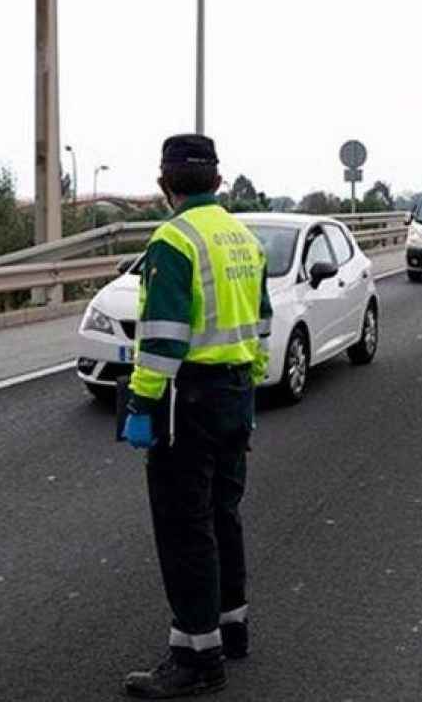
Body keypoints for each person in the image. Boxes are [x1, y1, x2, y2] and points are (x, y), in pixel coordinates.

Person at [120, 133, 273, 699]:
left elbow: (161, 340)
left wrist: (141, 404)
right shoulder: (243, 237)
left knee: (185, 527)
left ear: (165, 186)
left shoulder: (173, 240)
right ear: (218, 181)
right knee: (223, 513)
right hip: (234, 392)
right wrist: (249, 388)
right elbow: (261, 324)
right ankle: (232, 627)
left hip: (187, 400)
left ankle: (197, 658)